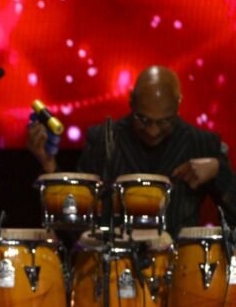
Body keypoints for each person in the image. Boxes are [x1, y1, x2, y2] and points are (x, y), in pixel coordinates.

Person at [28, 65, 236, 236]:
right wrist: (49, 166)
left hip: (181, 273)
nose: (153, 131)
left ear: (178, 105)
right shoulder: (103, 139)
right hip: (114, 274)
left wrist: (220, 171)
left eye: (164, 122)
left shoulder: (202, 144)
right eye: (143, 119)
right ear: (131, 101)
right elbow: (73, 225)